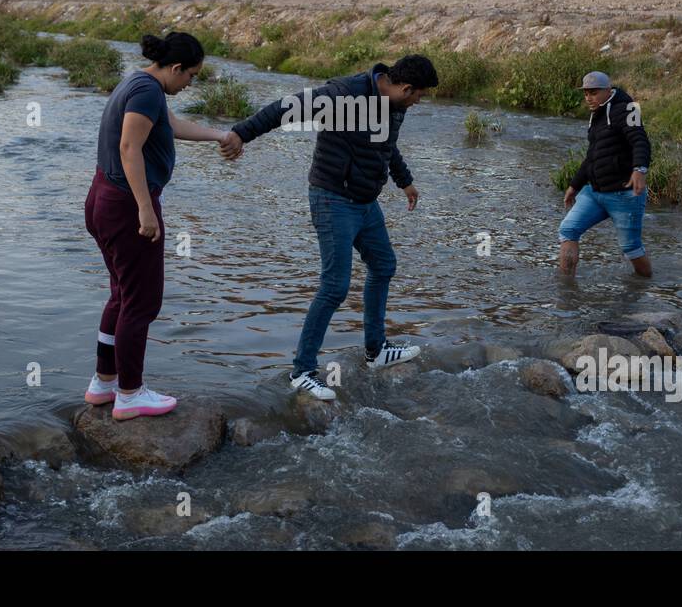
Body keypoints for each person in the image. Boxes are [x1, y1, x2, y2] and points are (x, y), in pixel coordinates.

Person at [220, 55, 439, 400]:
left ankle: (376, 350)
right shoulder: (344, 94)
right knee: (335, 286)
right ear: (406, 87)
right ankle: (303, 371)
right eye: (419, 96)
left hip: (366, 202)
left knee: (384, 266)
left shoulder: (396, 105)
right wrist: (240, 134)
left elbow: (386, 145)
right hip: (333, 198)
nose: (418, 102)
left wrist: (405, 181)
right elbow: (284, 108)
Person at [83, 31, 241, 419]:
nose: (190, 84)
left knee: (121, 295)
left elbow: (169, 125)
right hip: (125, 204)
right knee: (142, 302)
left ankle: (104, 384)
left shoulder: (138, 82)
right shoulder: (148, 91)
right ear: (175, 68)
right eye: (191, 76)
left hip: (103, 198)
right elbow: (128, 148)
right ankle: (131, 394)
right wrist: (145, 210)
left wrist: (220, 134)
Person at [559, 70, 653, 278]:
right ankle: (565, 290)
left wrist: (639, 169)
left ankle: (647, 286)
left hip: (624, 194)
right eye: (585, 94)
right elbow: (592, 156)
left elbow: (640, 140)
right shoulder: (597, 115)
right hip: (594, 192)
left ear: (608, 90)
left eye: (593, 93)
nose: (588, 98)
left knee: (631, 249)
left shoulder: (629, 108)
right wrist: (574, 186)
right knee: (568, 230)